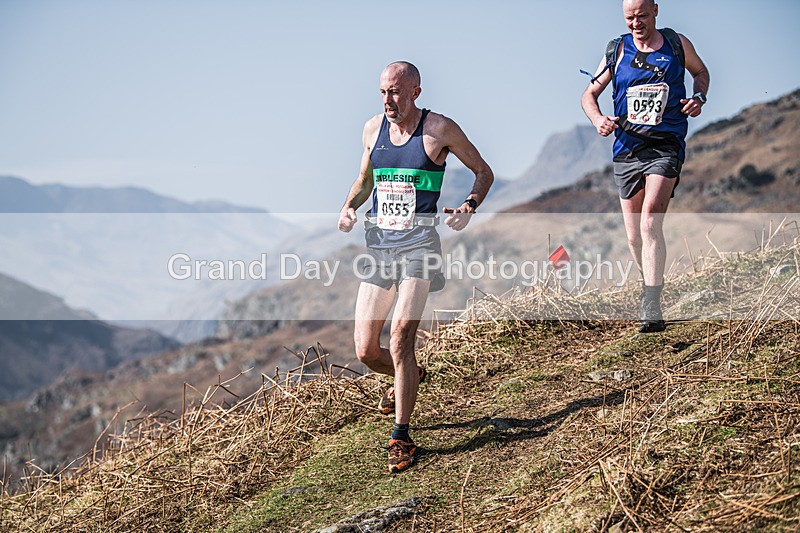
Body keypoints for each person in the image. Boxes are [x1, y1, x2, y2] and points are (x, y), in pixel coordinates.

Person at [338, 61, 493, 473]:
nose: (389, 101)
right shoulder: (373, 129)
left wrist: (468, 207)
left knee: (402, 335)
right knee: (367, 350)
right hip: (380, 248)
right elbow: (364, 181)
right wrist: (349, 207)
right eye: (383, 93)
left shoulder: (439, 129)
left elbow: (483, 171)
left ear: (415, 92)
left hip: (420, 247)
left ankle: (401, 436)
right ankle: (410, 375)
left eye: (396, 92)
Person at [581, 0, 710, 332]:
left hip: (665, 145)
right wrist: (598, 120)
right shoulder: (616, 50)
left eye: (641, 16)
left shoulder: (676, 44)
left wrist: (699, 98)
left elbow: (701, 73)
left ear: (655, 10)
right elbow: (588, 95)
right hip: (626, 148)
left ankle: (652, 304)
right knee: (633, 236)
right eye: (629, 18)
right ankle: (647, 285)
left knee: (651, 221)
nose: (635, 23)